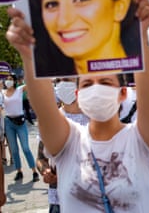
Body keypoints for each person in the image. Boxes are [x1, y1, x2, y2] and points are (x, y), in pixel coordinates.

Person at [6, 0, 149, 212]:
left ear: (123, 93)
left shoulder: (141, 141)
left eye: (106, 82)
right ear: (78, 95)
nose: (97, 88)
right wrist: (29, 54)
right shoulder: (69, 141)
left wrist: (140, 36)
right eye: (88, 83)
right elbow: (44, 109)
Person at [30, 0, 141, 76]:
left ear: (121, 5)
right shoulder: (47, 70)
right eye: (51, 4)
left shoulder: (135, 78)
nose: (63, 21)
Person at [37, 77, 90, 213]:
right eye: (58, 81)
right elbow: (41, 158)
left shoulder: (96, 118)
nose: (61, 84)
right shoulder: (50, 119)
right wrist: (46, 171)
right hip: (60, 199)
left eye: (66, 79)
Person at [3, 74, 40, 182]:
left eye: (10, 79)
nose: (8, 81)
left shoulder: (19, 89)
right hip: (8, 122)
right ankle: (19, 171)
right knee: (14, 150)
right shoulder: (2, 93)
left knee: (26, 148)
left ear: (15, 81)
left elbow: (31, 84)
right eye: (7, 79)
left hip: (20, 122)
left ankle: (34, 171)